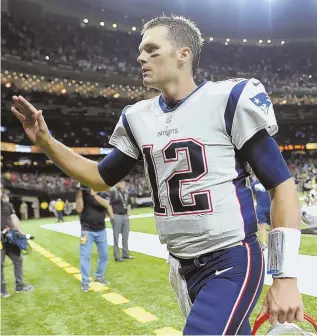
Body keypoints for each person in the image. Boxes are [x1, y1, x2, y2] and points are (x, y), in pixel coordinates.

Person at [11, 15, 304, 334]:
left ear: (183, 54)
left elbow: (282, 186)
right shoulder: (137, 117)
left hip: (231, 257)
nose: (140, 57)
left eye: (151, 49)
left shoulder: (229, 99)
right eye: (140, 50)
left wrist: (285, 275)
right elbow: (98, 176)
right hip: (181, 265)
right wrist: (47, 142)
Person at [76, 185, 114, 292]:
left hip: (101, 230)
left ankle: (99, 276)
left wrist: (94, 195)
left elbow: (106, 204)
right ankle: (85, 282)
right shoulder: (83, 194)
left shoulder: (104, 192)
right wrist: (79, 194)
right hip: (87, 230)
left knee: (104, 255)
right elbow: (79, 208)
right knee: (85, 256)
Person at [1, 188, 34, 297]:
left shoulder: (7, 205)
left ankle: (19, 286)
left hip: (10, 238)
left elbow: (14, 218)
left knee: (18, 260)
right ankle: (2, 289)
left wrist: (20, 233)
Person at [110, 180, 134, 262]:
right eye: (119, 182)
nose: (122, 184)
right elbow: (109, 204)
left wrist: (129, 212)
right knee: (116, 237)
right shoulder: (113, 191)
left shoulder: (126, 192)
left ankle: (125, 254)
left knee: (125, 236)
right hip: (117, 215)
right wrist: (112, 215)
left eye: (123, 182)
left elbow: (129, 203)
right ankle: (117, 256)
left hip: (125, 216)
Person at [251, 175, 271, 249]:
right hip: (270, 206)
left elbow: (253, 197)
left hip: (260, 207)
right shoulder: (269, 182)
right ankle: (271, 244)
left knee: (262, 227)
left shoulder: (254, 184)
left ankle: (263, 243)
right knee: (272, 227)